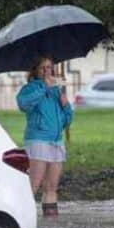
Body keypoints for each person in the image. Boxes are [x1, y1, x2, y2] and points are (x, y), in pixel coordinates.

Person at [17, 56, 73, 217]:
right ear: (35, 70)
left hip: (56, 141)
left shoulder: (56, 91)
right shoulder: (30, 88)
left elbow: (67, 120)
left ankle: (51, 224)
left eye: (50, 67)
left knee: (51, 187)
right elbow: (23, 104)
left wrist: (65, 104)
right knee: (34, 184)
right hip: (38, 141)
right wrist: (43, 89)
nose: (48, 71)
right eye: (43, 68)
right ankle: (21, 217)